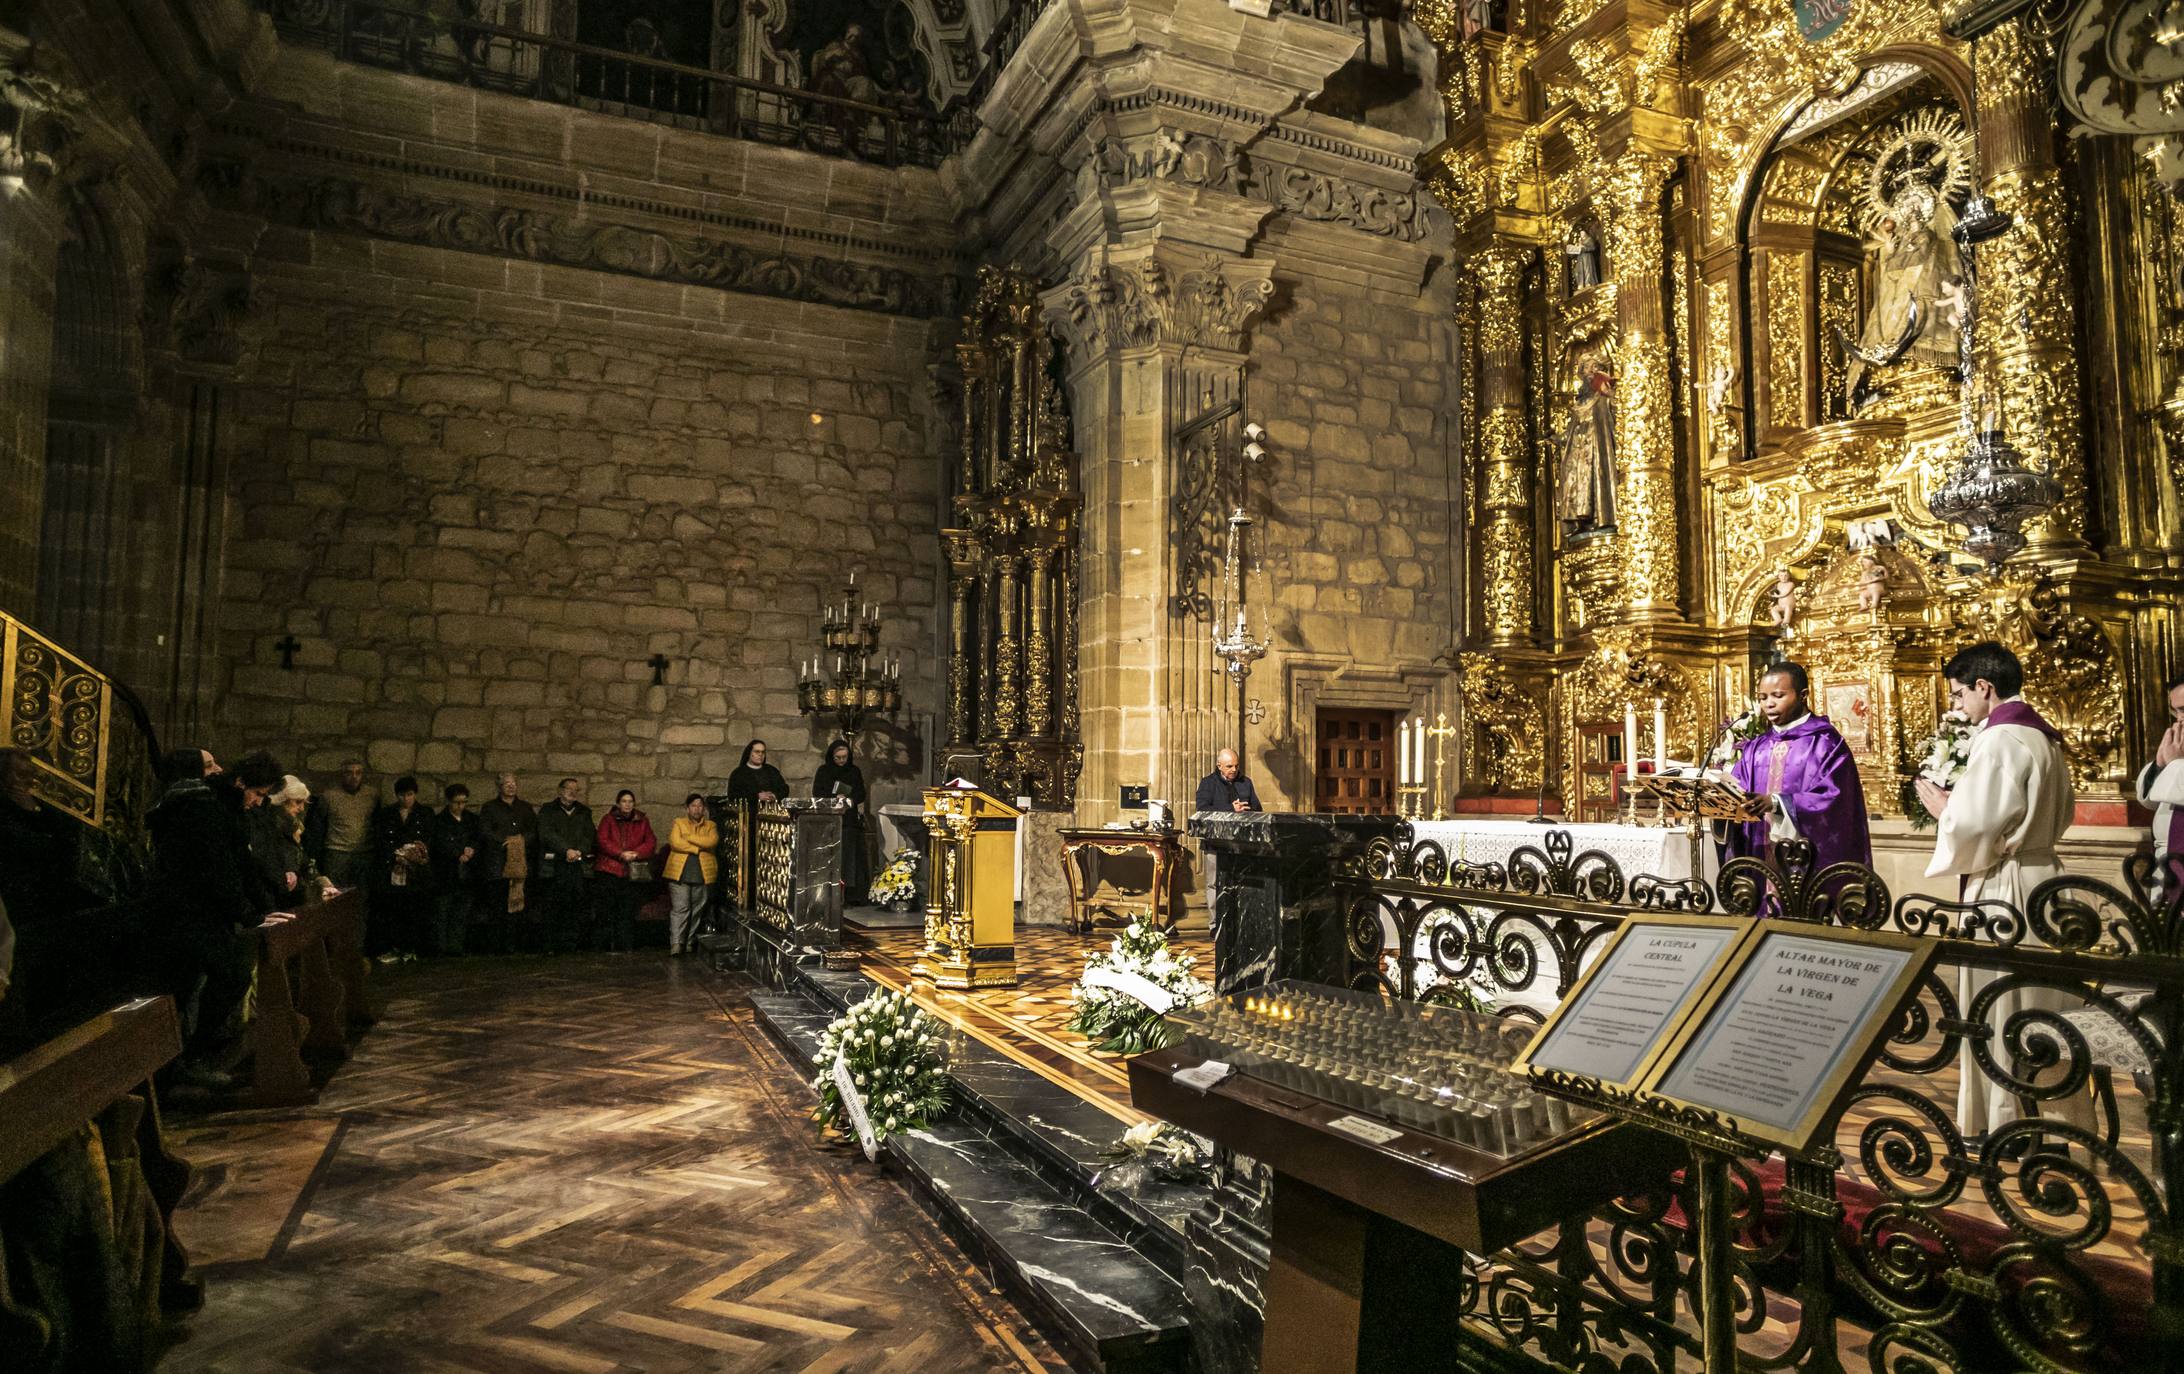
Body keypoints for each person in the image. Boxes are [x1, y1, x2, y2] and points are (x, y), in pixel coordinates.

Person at [1917, 641, 2084, 1143]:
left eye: (1959, 694)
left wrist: (1946, 809)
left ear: (1984, 688)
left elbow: (1978, 824)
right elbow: (2066, 812)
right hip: (2044, 878)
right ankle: (2050, 1124)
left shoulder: (2000, 739)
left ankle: (2006, 1124)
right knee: (2041, 1004)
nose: (1958, 705)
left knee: (2001, 1006)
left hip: (2005, 887)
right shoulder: (2042, 736)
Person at [147, 747, 285, 1089]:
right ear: (241, 784)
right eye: (257, 794)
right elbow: (219, 868)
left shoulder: (221, 805)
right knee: (224, 976)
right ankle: (187, 1059)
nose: (257, 802)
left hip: (202, 912)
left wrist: (263, 908)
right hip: (189, 911)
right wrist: (250, 914)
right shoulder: (204, 807)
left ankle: (181, 1062)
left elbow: (241, 861)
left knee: (194, 985)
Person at [1723, 662, 1871, 875]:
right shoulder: (1757, 747)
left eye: (1778, 696)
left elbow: (1836, 799)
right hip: (1760, 856)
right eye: (1763, 698)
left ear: (1803, 695)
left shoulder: (1825, 743)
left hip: (1809, 860)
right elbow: (1737, 788)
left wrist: (1776, 802)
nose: (1769, 704)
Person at [0, 747, 90, 926]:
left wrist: (34, 810)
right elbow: (24, 844)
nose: (29, 781)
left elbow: (68, 836)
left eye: (30, 774)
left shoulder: (39, 806)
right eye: (20, 774)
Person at [368, 777, 434, 960]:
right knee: (393, 908)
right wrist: (396, 855)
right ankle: (393, 946)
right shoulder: (387, 814)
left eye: (410, 794)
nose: (406, 799)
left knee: (413, 908)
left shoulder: (424, 813)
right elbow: (380, 839)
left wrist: (416, 855)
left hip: (415, 871)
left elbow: (429, 838)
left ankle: (411, 946)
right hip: (393, 867)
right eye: (402, 795)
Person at [2135, 670, 2184, 895]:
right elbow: (2150, 801)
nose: (2179, 718)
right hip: (2166, 860)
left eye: (2183, 709)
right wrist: (2160, 765)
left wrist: (2174, 764)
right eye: (2176, 710)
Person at [478, 774, 537, 953]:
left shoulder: (525, 808)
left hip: (519, 865)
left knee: (518, 906)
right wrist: (505, 842)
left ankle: (515, 944)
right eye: (507, 784)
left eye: (513, 783)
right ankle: (496, 946)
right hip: (498, 864)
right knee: (497, 906)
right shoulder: (489, 808)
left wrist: (518, 842)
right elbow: (485, 830)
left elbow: (533, 831)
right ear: (499, 786)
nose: (511, 786)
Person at [593, 790, 658, 953]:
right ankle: (607, 944)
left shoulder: (642, 821)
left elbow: (650, 841)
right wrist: (620, 854)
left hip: (631, 873)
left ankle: (625, 943)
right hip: (610, 870)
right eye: (624, 801)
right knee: (608, 910)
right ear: (618, 803)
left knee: (627, 910)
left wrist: (636, 853)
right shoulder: (608, 820)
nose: (627, 804)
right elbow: (603, 840)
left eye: (630, 801)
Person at [536, 777, 595, 955]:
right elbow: (546, 834)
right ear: (560, 790)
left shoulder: (584, 812)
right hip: (554, 866)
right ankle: (550, 945)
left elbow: (589, 834)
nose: (572, 792)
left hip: (575, 866)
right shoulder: (548, 810)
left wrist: (579, 851)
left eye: (576, 789)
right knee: (553, 906)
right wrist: (565, 850)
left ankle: (570, 944)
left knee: (574, 905)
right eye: (569, 788)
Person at [427, 783, 486, 956]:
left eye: (463, 802)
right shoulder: (439, 821)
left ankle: (456, 946)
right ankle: (440, 947)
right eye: (456, 802)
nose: (460, 806)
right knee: (442, 912)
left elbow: (479, 839)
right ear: (449, 802)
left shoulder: (472, 820)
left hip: (467, 874)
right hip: (446, 873)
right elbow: (438, 844)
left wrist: (471, 849)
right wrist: (457, 854)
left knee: (461, 913)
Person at [813, 738, 869, 902]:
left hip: (849, 820)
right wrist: (834, 797)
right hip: (829, 818)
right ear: (832, 757)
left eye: (844, 757)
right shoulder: (824, 770)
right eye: (838, 758)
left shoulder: (854, 771)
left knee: (850, 858)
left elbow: (861, 792)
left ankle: (850, 894)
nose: (841, 761)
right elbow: (817, 791)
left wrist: (848, 798)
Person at [663, 793, 718, 956]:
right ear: (687, 808)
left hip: (702, 873)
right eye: (693, 805)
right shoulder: (678, 823)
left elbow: (711, 841)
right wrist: (696, 848)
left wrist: (689, 837)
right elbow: (676, 842)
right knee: (681, 908)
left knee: (697, 910)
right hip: (680, 872)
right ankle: (676, 943)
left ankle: (689, 941)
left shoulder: (710, 825)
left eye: (700, 805)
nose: (697, 809)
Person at [315, 759, 380, 891]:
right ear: (342, 775)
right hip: (337, 853)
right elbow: (319, 825)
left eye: (358, 773)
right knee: (335, 894)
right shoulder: (329, 796)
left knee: (362, 894)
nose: (354, 777)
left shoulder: (371, 795)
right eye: (349, 773)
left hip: (364, 853)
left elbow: (376, 822)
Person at [1195, 748, 1262, 814]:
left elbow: (1258, 809)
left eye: (1236, 766)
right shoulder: (1208, 783)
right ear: (1219, 766)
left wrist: (1245, 810)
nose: (1234, 770)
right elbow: (1202, 809)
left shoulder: (1246, 782)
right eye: (1229, 766)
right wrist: (1231, 808)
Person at [726, 740, 788, 808]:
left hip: (771, 813)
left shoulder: (772, 771)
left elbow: (784, 789)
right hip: (748, 813)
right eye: (757, 751)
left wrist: (774, 796)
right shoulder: (738, 773)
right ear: (749, 753)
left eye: (763, 752)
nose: (760, 754)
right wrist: (757, 796)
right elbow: (733, 796)